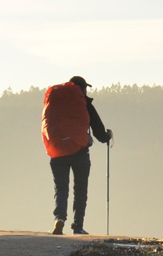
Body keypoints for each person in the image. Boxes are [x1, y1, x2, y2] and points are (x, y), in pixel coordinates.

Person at [42, 75, 113, 235]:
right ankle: (77, 226)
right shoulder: (84, 104)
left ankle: (59, 219)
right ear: (81, 89)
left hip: (57, 151)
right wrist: (107, 136)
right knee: (80, 190)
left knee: (61, 188)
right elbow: (99, 132)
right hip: (79, 152)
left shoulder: (55, 103)